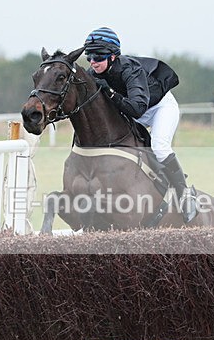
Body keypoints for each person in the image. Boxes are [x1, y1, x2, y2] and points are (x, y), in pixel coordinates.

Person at [82, 26, 196, 222]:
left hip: (159, 109)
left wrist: (110, 92)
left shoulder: (130, 70)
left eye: (98, 57)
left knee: (159, 147)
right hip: (132, 111)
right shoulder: (93, 73)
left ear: (112, 57)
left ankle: (184, 194)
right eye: (89, 57)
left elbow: (137, 108)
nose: (93, 62)